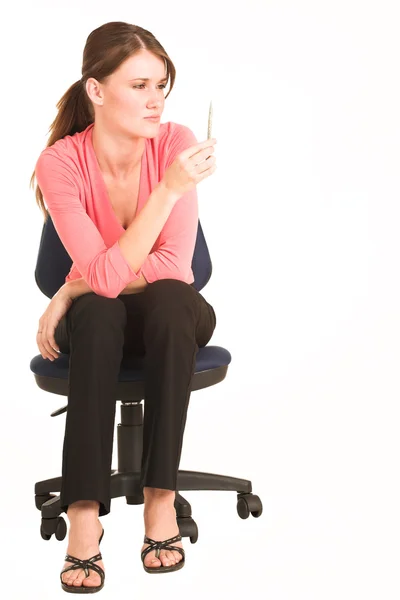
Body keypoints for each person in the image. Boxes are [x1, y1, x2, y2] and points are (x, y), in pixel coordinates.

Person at [30, 20, 218, 592]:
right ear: (96, 89)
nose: (156, 99)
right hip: (100, 323)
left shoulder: (176, 144)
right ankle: (83, 520)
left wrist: (69, 288)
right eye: (138, 85)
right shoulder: (60, 163)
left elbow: (176, 269)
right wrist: (168, 193)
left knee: (166, 300)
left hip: (173, 317)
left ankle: (160, 500)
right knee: (102, 312)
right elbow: (109, 284)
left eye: (161, 85)